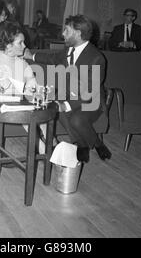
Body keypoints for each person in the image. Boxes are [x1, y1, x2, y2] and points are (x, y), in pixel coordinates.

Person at [24, 14, 112, 162]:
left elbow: (90, 91)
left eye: (67, 30)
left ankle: (96, 144)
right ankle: (82, 145)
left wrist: (66, 105)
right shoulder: (68, 51)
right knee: (59, 112)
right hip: (70, 96)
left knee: (76, 119)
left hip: (91, 101)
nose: (62, 33)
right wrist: (30, 55)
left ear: (78, 33)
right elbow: (51, 58)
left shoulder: (96, 58)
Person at [0, 21, 39, 158]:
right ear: (8, 46)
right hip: (0, 108)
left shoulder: (23, 63)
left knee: (37, 111)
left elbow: (33, 87)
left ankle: (46, 150)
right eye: (20, 43)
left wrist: (32, 87)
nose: (25, 46)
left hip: (20, 106)